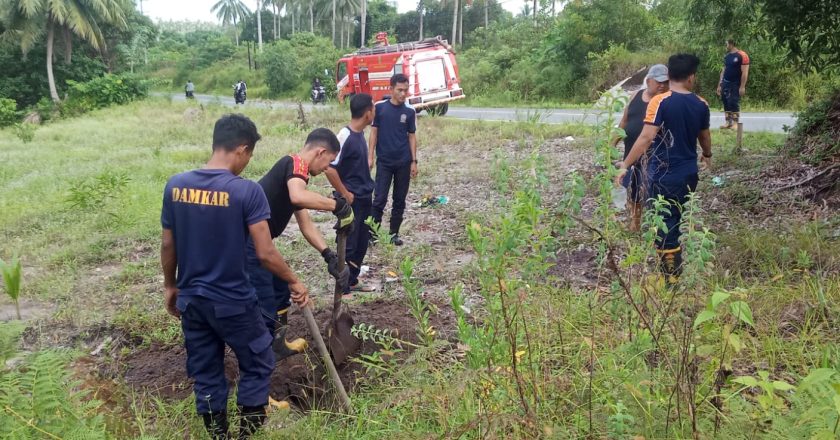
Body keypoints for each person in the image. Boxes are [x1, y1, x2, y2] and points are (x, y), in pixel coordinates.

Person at [160, 114, 310, 439]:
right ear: (242, 149)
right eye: (249, 155)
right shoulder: (246, 192)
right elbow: (266, 253)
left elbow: (168, 244)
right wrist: (295, 281)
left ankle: (219, 436)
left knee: (206, 372)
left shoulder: (175, 186)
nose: (247, 162)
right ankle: (247, 436)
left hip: (193, 302)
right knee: (257, 364)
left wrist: (171, 286)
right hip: (234, 303)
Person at [245, 128, 354, 362]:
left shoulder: (293, 176)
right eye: (328, 163)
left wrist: (328, 255)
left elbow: (306, 225)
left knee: (279, 289)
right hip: (247, 245)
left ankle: (278, 344)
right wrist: (336, 205)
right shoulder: (295, 165)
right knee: (263, 304)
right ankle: (262, 368)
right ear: (320, 152)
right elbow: (298, 197)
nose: (326, 169)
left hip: (258, 243)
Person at [615, 54, 713, 284]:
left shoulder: (660, 102)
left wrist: (625, 164)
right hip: (689, 174)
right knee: (673, 217)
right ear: (691, 77)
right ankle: (669, 268)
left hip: (663, 174)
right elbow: (704, 136)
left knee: (665, 224)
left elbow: (646, 137)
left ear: (670, 77)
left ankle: (670, 278)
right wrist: (707, 155)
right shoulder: (701, 103)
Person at [325, 94, 377, 294]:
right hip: (352, 200)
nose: (374, 112)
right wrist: (345, 193)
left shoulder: (360, 134)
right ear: (367, 113)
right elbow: (329, 168)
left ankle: (352, 281)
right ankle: (342, 287)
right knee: (348, 243)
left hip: (364, 197)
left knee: (362, 241)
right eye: (373, 109)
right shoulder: (344, 135)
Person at [613, 64, 670, 231]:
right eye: (658, 81)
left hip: (653, 153)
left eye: (665, 82)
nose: (662, 85)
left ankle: (655, 225)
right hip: (631, 150)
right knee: (631, 185)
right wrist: (612, 144)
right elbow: (624, 122)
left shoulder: (665, 101)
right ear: (649, 80)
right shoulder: (635, 96)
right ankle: (635, 221)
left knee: (650, 187)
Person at [368, 73, 418, 246]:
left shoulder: (410, 111)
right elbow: (373, 132)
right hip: (384, 162)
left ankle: (393, 234)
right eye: (399, 90)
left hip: (403, 162)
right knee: (379, 198)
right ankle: (372, 235)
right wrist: (370, 156)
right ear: (391, 89)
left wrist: (414, 161)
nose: (403, 94)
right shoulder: (380, 108)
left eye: (406, 90)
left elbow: (412, 136)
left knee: (399, 200)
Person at [717, 39, 750, 129]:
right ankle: (728, 122)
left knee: (733, 102)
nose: (725, 46)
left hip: (736, 83)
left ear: (731, 44)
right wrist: (720, 84)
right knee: (726, 102)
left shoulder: (742, 55)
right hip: (725, 82)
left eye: (726, 44)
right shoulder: (727, 56)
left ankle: (735, 123)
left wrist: (742, 86)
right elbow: (724, 70)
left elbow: (745, 72)